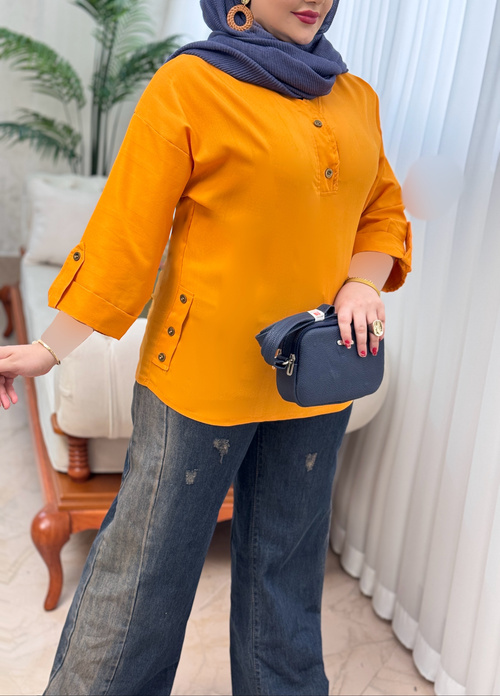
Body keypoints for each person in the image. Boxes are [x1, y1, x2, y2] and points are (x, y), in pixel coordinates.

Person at [0, 0, 412, 693]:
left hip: (315, 375)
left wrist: (362, 283)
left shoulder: (354, 96)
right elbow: (125, 235)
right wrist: (47, 348)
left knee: (288, 574)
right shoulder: (190, 84)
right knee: (144, 575)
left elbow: (381, 211)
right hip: (199, 380)